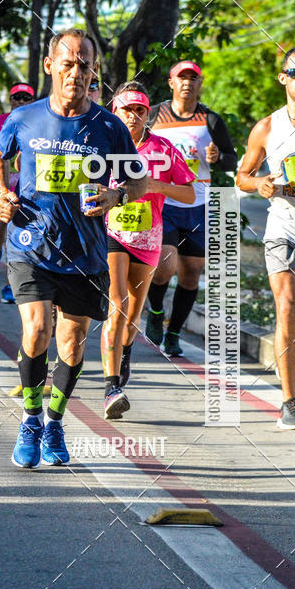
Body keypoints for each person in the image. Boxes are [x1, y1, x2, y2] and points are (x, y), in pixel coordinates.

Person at [0, 28, 146, 468]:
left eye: (84, 64)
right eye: (67, 63)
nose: (76, 72)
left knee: (72, 343)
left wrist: (117, 197)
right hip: (31, 242)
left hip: (86, 251)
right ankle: (31, 419)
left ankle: (55, 420)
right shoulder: (23, 118)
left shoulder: (110, 126)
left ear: (94, 70)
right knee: (36, 329)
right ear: (49, 65)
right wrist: (2, 191)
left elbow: (139, 178)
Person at [101, 82, 195, 419]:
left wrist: (156, 185)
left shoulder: (164, 149)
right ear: (115, 111)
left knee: (132, 314)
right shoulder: (102, 145)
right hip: (111, 233)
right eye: (127, 109)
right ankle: (112, 386)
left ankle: (124, 352)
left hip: (148, 237)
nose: (133, 115)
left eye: (140, 109)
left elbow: (189, 194)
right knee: (117, 304)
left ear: (147, 114)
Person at [237, 46, 295, 430]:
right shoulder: (267, 127)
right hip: (283, 229)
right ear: (283, 77)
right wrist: (260, 183)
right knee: (285, 305)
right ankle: (289, 401)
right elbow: (242, 176)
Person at [145, 60, 237, 355]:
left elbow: (231, 161)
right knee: (163, 267)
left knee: (190, 274)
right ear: (171, 82)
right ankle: (156, 310)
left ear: (200, 83)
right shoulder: (155, 116)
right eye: (181, 77)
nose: (187, 82)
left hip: (198, 205)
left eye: (192, 78)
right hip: (164, 203)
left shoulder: (210, 119)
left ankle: (173, 333)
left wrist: (217, 156)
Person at [0, 83, 35, 302]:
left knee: (17, 242)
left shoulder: (40, 124)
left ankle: (10, 285)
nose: (21, 102)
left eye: (26, 98)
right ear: (10, 100)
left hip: (26, 195)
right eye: (17, 98)